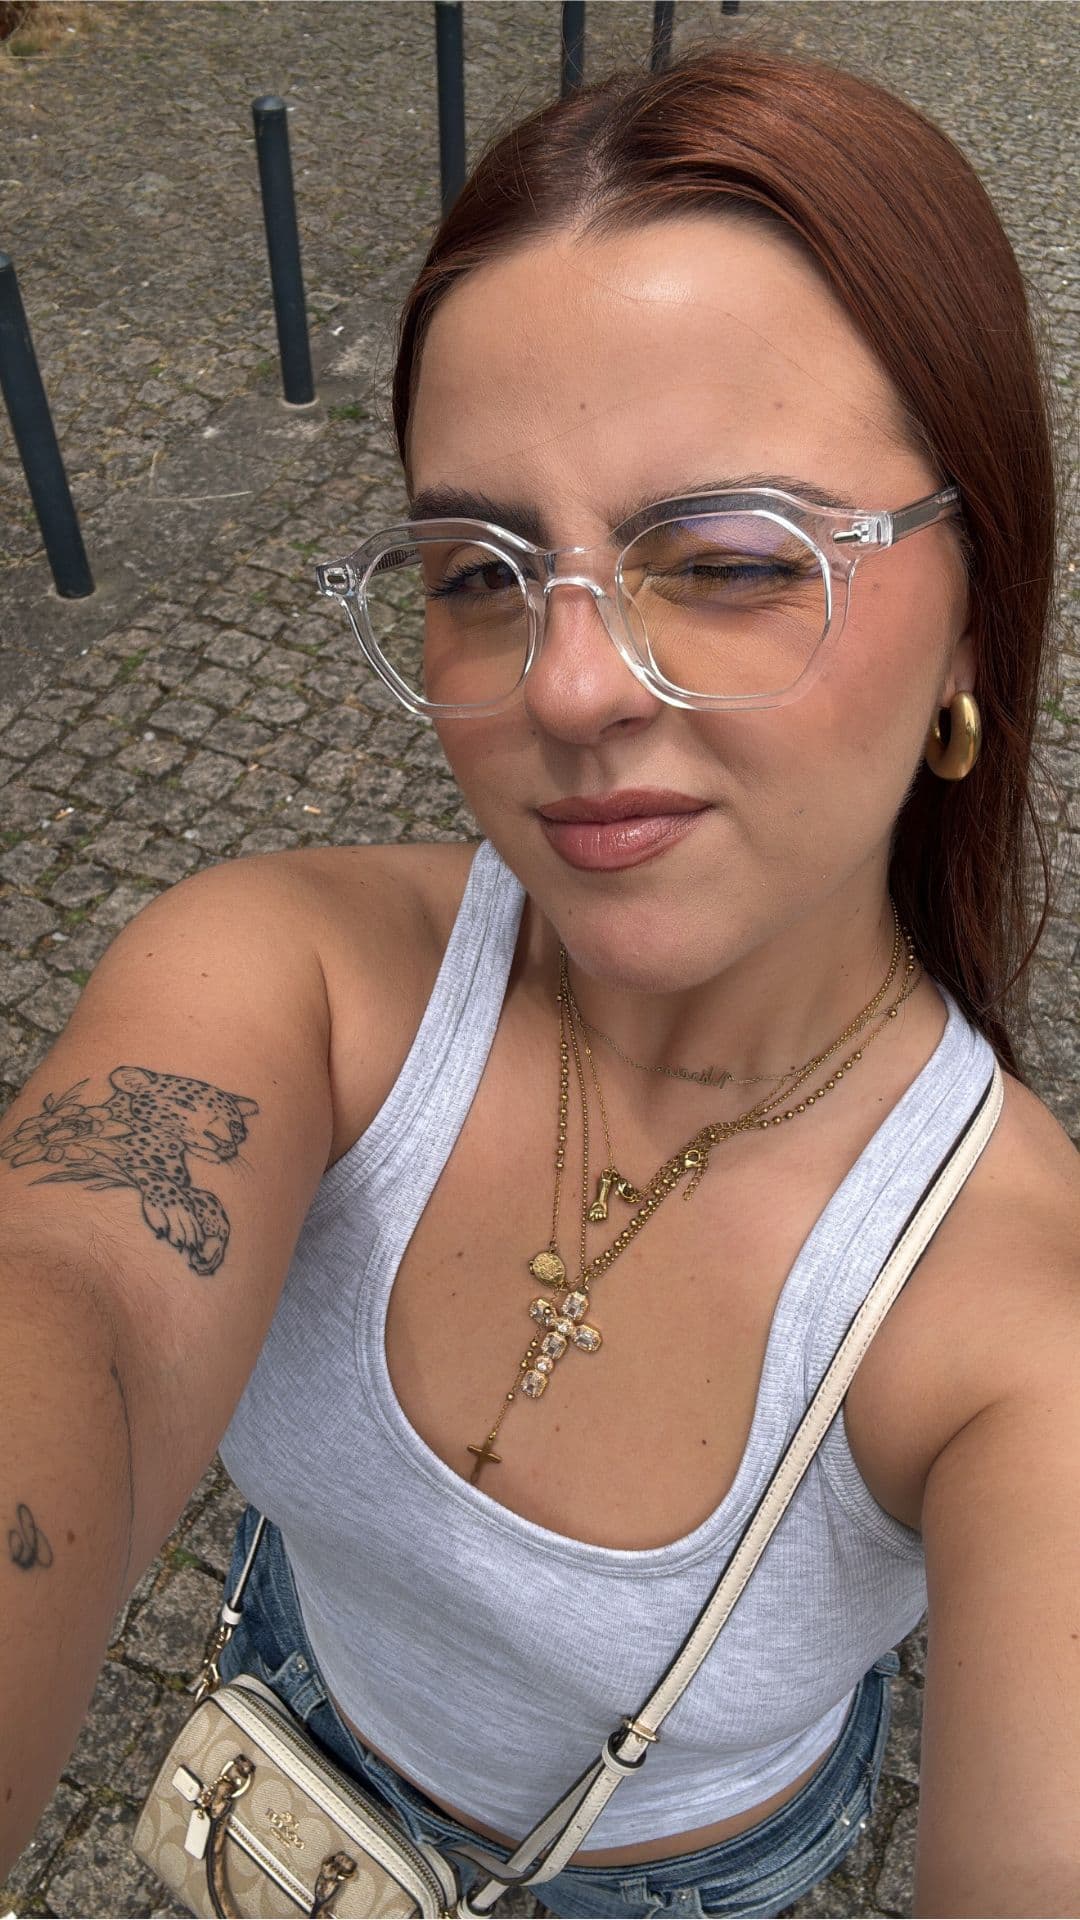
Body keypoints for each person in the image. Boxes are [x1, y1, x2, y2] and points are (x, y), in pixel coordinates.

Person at [2, 40, 1078, 1920]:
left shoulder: (1013, 1324)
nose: (565, 687)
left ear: (977, 609)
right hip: (288, 1716)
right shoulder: (285, 978)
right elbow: (71, 1295)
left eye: (727, 561)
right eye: (478, 573)